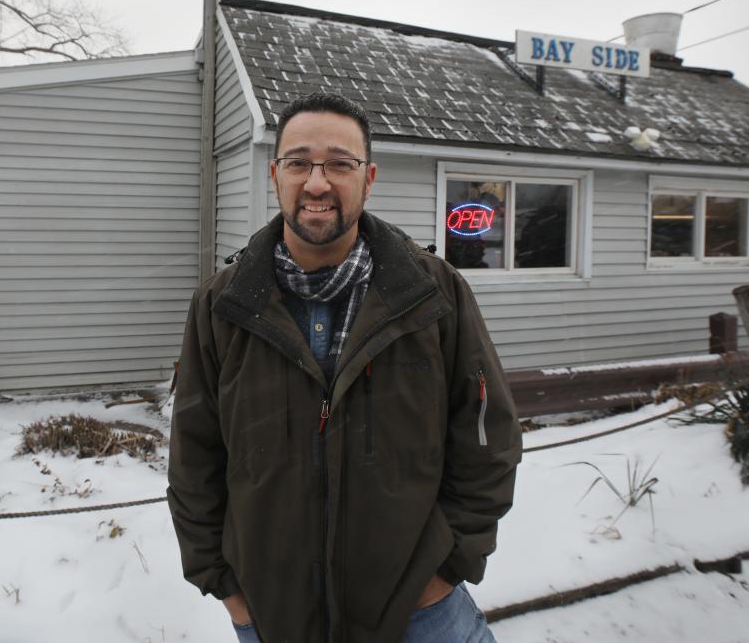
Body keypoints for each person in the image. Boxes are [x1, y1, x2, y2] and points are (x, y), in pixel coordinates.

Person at [167, 92, 522, 642]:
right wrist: (229, 591)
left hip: (421, 613)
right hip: (274, 616)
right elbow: (194, 459)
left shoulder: (434, 294)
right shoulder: (221, 307)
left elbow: (486, 438)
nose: (317, 182)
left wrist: (446, 569)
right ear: (274, 174)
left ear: (369, 176)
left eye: (339, 163)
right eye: (299, 162)